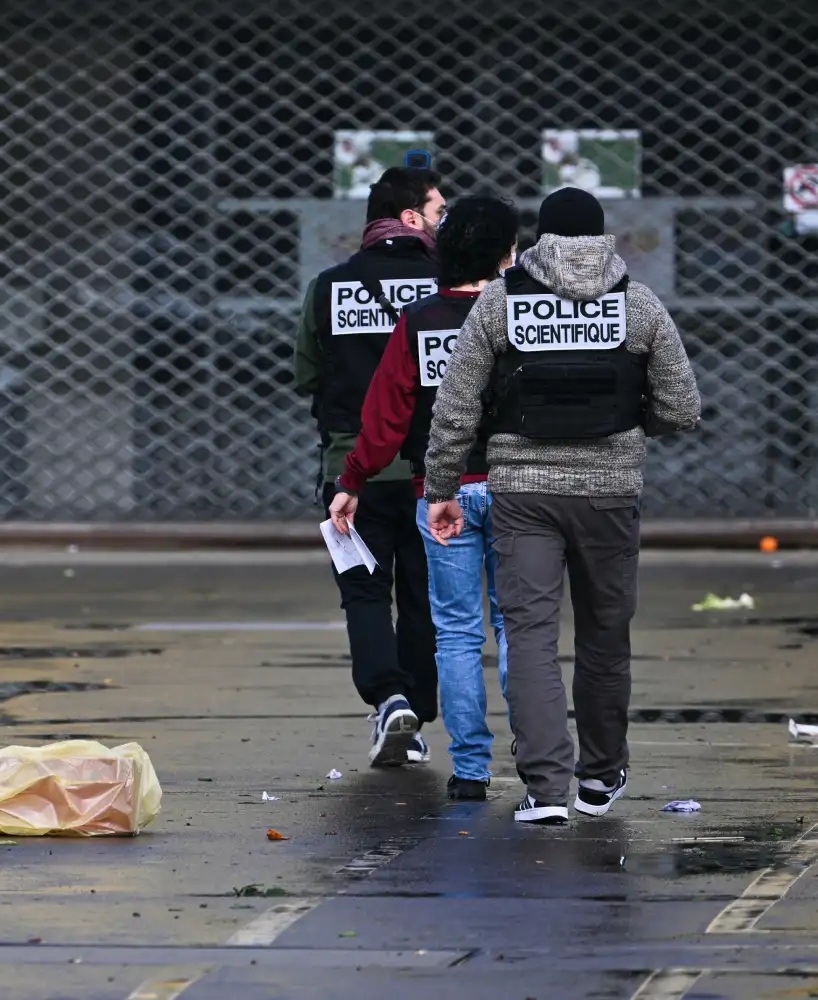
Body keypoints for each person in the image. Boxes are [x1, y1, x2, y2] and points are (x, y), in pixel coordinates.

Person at [422, 187, 702, 824]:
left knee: (529, 637)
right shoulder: (637, 303)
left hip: (523, 496)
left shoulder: (501, 301)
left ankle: (546, 790)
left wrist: (441, 489)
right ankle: (599, 778)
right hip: (610, 494)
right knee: (605, 634)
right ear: (601, 237)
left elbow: (456, 407)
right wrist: (632, 428)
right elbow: (682, 406)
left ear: (540, 241)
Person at [329, 195, 520, 801]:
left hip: (439, 492)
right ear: (506, 255)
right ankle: (537, 749)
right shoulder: (521, 316)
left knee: (457, 633)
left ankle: (471, 770)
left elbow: (387, 416)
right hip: (518, 488)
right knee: (517, 624)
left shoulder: (419, 320)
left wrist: (353, 480)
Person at [293, 166, 445, 767]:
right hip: (433, 471)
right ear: (412, 218)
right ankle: (415, 709)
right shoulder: (448, 286)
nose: (443, 222)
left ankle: (389, 699)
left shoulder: (329, 287)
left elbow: (306, 374)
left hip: (352, 469)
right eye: (438, 211)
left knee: (363, 591)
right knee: (425, 596)